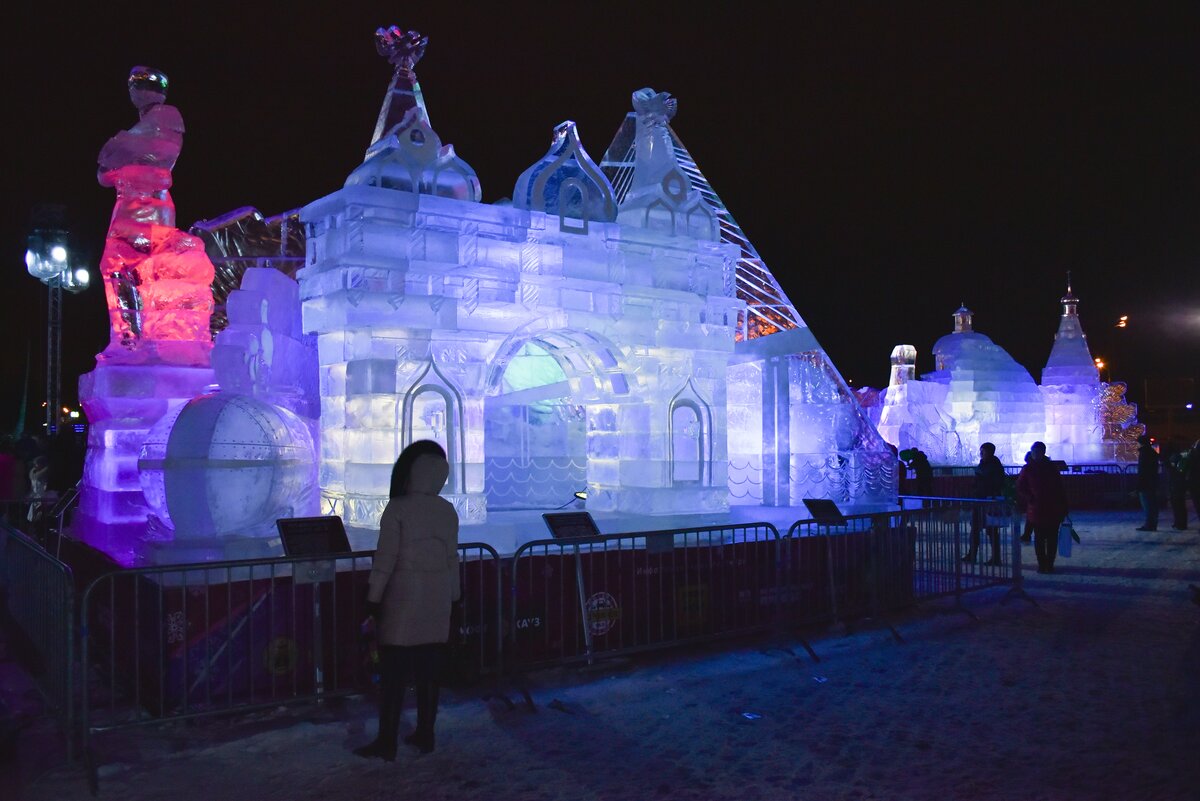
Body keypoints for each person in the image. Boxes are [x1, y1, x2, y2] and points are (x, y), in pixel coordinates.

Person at [355, 440, 460, 761]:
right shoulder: (446, 509)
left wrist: (373, 599)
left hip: (403, 601)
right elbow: (452, 558)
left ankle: (386, 741)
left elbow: (385, 559)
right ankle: (426, 733)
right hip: (438, 599)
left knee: (394, 675)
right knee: (430, 673)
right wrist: (455, 597)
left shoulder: (398, 508)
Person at [1016, 441, 1069, 574]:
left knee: (1051, 539)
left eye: (1039, 452)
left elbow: (1060, 488)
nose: (1037, 455)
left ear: (1043, 452)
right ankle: (1042, 564)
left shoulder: (1051, 467)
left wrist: (1064, 506)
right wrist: (1030, 497)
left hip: (1052, 508)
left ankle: (1049, 564)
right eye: (1035, 452)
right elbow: (1020, 486)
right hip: (1037, 509)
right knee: (1039, 538)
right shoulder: (1028, 468)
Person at [963, 442, 1006, 565]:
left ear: (990, 452)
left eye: (983, 451)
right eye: (980, 451)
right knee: (976, 529)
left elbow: (998, 482)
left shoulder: (994, 466)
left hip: (988, 501)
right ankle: (972, 554)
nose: (981, 453)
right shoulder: (983, 464)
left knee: (991, 530)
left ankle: (995, 557)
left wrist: (983, 481)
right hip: (979, 500)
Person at [1135, 434, 1160, 532]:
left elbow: (1143, 470)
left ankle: (1149, 525)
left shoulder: (1144, 453)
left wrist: (1139, 485)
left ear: (1140, 443)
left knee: (1148, 505)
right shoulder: (1151, 452)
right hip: (1152, 482)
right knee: (1152, 504)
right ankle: (1152, 524)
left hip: (1146, 484)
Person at [1164, 436, 1189, 531]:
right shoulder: (1182, 453)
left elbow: (1171, 464)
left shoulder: (1178, 455)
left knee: (1178, 502)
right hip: (1178, 481)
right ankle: (1180, 522)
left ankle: (1180, 523)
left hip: (1177, 481)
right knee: (1178, 503)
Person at [1018, 450, 1035, 543]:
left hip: (1032, 498)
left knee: (1030, 517)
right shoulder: (1047, 467)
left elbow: (1021, 483)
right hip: (1038, 498)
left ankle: (1027, 534)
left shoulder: (1027, 468)